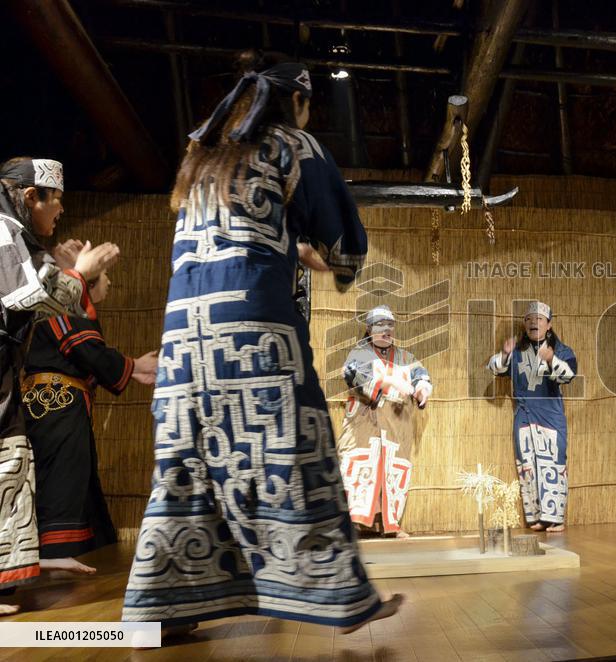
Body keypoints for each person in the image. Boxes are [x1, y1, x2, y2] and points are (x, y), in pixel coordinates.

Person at [121, 53, 401, 635]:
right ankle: (337, 598)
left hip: (182, 345)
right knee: (299, 452)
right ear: (296, 103)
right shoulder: (293, 146)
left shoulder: (204, 158)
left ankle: (163, 614)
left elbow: (234, 234)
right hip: (253, 335)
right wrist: (327, 262)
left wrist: (283, 244)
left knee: (184, 469)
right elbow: (347, 246)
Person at [0, 156, 119, 616]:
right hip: (37, 386)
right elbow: (29, 296)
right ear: (31, 196)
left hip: (9, 374)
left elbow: (41, 300)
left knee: (10, 464)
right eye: (57, 201)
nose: (61, 211)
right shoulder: (3, 229)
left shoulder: (18, 236)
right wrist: (78, 272)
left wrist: (68, 271)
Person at [22, 264, 158, 574]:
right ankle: (55, 549)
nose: (110, 282)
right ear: (89, 284)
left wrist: (133, 368)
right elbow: (88, 352)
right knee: (62, 472)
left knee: (74, 473)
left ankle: (76, 546)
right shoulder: (64, 312)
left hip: (58, 403)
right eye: (106, 275)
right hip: (55, 403)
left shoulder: (69, 314)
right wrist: (134, 365)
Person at [338, 305, 432, 538]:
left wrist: (422, 388)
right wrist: (389, 381)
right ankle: (353, 525)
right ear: (369, 329)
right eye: (380, 325)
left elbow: (421, 375)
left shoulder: (406, 357)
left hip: (396, 426)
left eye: (389, 325)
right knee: (360, 470)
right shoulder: (359, 353)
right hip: (364, 424)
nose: (386, 330)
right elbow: (352, 375)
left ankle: (391, 525)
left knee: (393, 473)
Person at [488, 301, 576, 533]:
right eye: (528, 319)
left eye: (538, 319)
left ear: (549, 324)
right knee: (528, 466)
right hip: (524, 415)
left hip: (550, 415)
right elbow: (494, 368)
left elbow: (569, 375)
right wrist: (505, 355)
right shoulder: (517, 351)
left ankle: (556, 517)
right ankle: (536, 516)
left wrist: (550, 360)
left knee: (553, 464)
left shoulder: (561, 350)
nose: (533, 323)